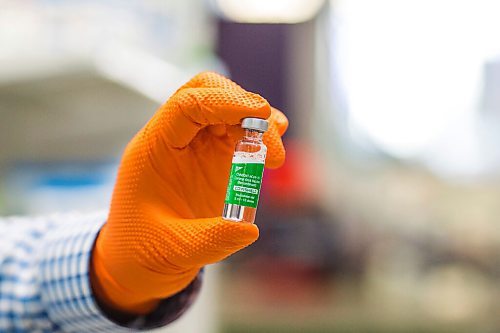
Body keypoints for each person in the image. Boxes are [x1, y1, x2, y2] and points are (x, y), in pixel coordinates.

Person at [0, 72, 288, 332]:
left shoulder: (250, 147)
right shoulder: (248, 147)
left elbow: (13, 277)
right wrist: (113, 278)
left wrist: (101, 274)